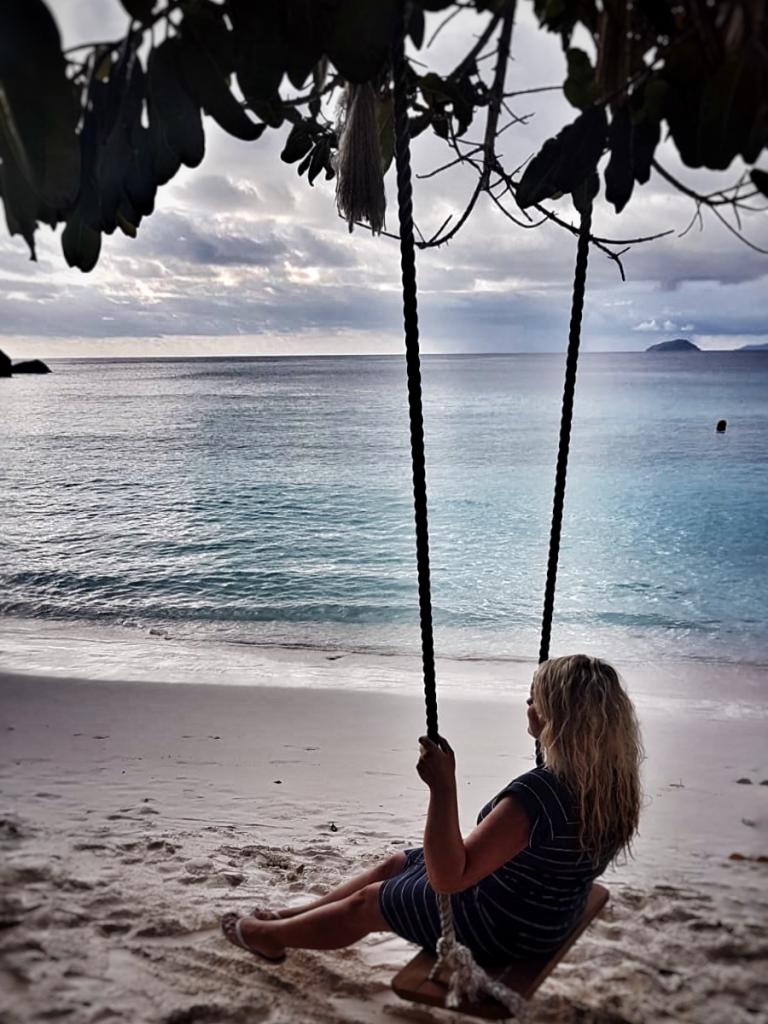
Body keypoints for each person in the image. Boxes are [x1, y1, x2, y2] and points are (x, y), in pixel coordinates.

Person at [221, 654, 643, 964]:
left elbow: (448, 879)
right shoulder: (614, 783)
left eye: (535, 701)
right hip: (550, 909)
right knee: (397, 863)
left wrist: (442, 788)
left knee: (369, 902)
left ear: (559, 719)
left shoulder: (538, 795)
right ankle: (294, 916)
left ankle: (268, 937)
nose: (527, 705)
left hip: (507, 926)